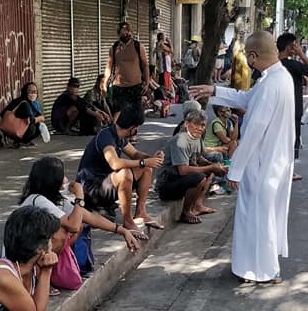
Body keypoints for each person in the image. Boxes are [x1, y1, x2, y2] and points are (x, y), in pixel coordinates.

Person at [188, 31, 296, 284]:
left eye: (248, 56)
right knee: (262, 216)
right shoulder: (278, 78)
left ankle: (265, 270)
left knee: (257, 218)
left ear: (253, 56)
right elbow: (246, 98)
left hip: (262, 163)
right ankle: (255, 268)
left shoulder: (271, 84)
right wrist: (215, 90)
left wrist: (235, 170)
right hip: (273, 161)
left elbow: (254, 132)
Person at [19, 156, 141, 255]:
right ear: (53, 180)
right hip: (24, 252)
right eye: (62, 175)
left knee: (76, 223)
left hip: (35, 249)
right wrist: (79, 196)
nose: (66, 179)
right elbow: (74, 226)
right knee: (64, 232)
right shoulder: (38, 200)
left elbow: (91, 217)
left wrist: (123, 231)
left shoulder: (56, 199)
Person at [75, 105, 164, 236]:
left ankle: (141, 212)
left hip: (104, 184)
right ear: (132, 128)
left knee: (146, 169)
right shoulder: (106, 136)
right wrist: (143, 162)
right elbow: (115, 163)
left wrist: (151, 158)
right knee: (125, 174)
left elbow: (135, 154)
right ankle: (128, 221)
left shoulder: (119, 137)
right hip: (90, 190)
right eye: (137, 127)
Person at [155, 108, 227, 225]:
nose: (199, 128)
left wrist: (213, 166)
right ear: (186, 124)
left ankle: (198, 205)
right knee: (199, 177)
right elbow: (183, 170)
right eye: (196, 124)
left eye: (202, 125)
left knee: (210, 171)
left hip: (179, 179)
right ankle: (185, 213)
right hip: (167, 184)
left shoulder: (197, 138)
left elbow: (198, 158)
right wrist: (210, 167)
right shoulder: (180, 140)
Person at [276, 33, 308, 180]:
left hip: (278, 108)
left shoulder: (274, 64)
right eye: (295, 45)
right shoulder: (292, 64)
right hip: (293, 108)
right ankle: (289, 171)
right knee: (292, 139)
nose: (297, 47)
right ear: (289, 47)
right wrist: (301, 54)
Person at [103, 22, 150, 115]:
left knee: (137, 116)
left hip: (135, 86)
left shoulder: (138, 46)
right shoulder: (114, 48)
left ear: (130, 32)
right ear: (119, 33)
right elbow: (109, 67)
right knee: (120, 116)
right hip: (119, 87)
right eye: (123, 32)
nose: (126, 34)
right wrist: (104, 83)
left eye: (128, 32)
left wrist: (147, 82)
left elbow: (145, 65)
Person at [1, 82, 46, 148]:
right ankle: (20, 141)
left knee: (40, 125)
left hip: (19, 128)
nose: (33, 94)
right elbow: (30, 120)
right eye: (30, 91)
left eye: (35, 91)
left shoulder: (34, 103)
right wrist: (39, 118)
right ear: (25, 92)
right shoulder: (24, 103)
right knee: (33, 125)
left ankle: (25, 141)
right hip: (12, 127)